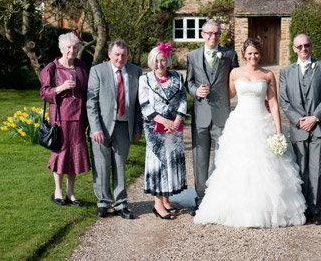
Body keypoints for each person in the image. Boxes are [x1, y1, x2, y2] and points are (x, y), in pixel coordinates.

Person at [194, 38, 306, 227]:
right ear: (244, 54)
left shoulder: (268, 74)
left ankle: (265, 211)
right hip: (240, 122)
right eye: (249, 53)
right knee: (238, 166)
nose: (253, 56)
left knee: (266, 167)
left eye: (256, 53)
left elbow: (273, 103)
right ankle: (236, 209)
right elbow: (228, 95)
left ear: (260, 54)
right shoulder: (235, 73)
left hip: (263, 122)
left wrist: (278, 131)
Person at [279, 33, 321, 225]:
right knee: (300, 169)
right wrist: (299, 121)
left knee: (317, 170)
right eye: (300, 46)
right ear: (294, 49)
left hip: (319, 127)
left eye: (307, 46)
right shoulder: (286, 72)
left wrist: (315, 118)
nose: (304, 49)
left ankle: (315, 210)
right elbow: (284, 101)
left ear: (311, 47)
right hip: (298, 128)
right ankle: (301, 208)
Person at [185, 20, 239, 216]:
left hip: (222, 115)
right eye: (209, 33)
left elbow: (238, 80)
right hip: (200, 115)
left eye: (216, 34)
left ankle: (218, 199)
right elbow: (188, 82)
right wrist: (195, 91)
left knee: (222, 159)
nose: (212, 37)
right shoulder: (191, 56)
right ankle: (199, 199)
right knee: (200, 159)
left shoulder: (230, 55)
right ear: (202, 34)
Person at [87, 38, 142, 219]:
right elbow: (91, 101)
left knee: (120, 165)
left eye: (124, 55)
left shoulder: (135, 72)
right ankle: (103, 203)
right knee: (102, 165)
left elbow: (138, 104)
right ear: (109, 54)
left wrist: (137, 127)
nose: (120, 58)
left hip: (124, 125)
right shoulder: (97, 71)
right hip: (102, 127)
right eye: (117, 54)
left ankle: (121, 204)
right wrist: (95, 127)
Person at [40, 31, 91, 206]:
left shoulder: (82, 67)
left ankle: (71, 193)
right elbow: (44, 93)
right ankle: (58, 192)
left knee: (75, 155)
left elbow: (86, 91)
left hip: (78, 118)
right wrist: (60, 88)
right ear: (61, 48)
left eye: (75, 47)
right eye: (69, 47)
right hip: (60, 118)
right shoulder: (51, 68)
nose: (72, 50)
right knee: (60, 154)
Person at [138, 42, 187, 220]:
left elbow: (183, 98)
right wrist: (165, 121)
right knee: (158, 164)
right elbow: (145, 106)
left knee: (171, 162)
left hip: (174, 128)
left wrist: (177, 120)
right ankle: (158, 205)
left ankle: (166, 200)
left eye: (163, 60)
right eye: (157, 61)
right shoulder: (145, 79)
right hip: (155, 128)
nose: (160, 65)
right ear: (152, 62)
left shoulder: (177, 77)